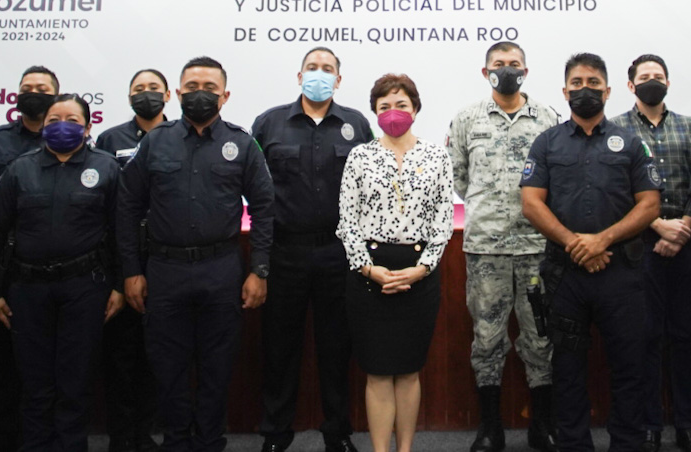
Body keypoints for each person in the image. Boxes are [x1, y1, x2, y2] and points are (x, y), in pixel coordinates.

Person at [117, 56, 274, 452]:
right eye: (192, 86)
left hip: (221, 270)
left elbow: (263, 209)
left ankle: (209, 443)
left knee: (217, 368)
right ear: (179, 92)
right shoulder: (155, 141)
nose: (200, 93)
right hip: (164, 270)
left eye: (209, 87)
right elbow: (128, 207)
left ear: (225, 95)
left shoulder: (241, 143)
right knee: (167, 368)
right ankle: (175, 443)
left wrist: (259, 270)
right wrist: (131, 270)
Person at [519, 52, 661, 452]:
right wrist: (575, 243)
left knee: (629, 368)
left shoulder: (630, 143)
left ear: (608, 90)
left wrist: (602, 240)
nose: (585, 90)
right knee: (566, 370)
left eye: (593, 83)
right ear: (564, 91)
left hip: (622, 272)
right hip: (565, 275)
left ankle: (628, 444)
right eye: (577, 84)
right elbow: (531, 203)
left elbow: (649, 205)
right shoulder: (546, 142)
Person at [0, 94, 126, 452]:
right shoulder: (19, 169)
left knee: (75, 381)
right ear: (43, 125)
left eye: (73, 120)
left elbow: (123, 232)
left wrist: (120, 285)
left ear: (89, 127)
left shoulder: (107, 169)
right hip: (27, 289)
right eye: (55, 118)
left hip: (84, 287)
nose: (63, 125)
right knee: (35, 380)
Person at [253, 47, 374, 452]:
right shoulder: (269, 124)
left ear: (339, 80)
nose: (318, 74)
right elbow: (253, 190)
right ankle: (275, 434)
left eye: (327, 69)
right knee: (279, 348)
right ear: (299, 75)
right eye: (312, 68)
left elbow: (370, 190)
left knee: (337, 348)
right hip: (284, 253)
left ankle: (337, 433)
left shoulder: (356, 124)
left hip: (338, 254)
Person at [447, 41, 560, 452]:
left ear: (526, 71)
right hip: (486, 250)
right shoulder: (466, 119)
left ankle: (541, 426)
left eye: (515, 64)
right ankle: (490, 428)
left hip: (536, 248)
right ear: (486, 72)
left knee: (540, 338)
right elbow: (460, 177)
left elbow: (557, 179)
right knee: (487, 339)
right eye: (500, 64)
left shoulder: (548, 119)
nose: (507, 70)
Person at [336, 73, 454, 452]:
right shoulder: (360, 156)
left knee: (407, 371)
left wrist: (424, 268)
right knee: (377, 372)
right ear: (374, 112)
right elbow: (347, 222)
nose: (393, 112)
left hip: (420, 272)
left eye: (401, 104)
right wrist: (368, 268)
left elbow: (442, 221)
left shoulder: (437, 155)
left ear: (415, 109)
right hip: (369, 272)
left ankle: (404, 449)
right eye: (384, 106)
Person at [609, 54, 691, 452]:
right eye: (644, 77)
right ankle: (649, 424)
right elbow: (615, 187)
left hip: (687, 238)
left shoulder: (690, 127)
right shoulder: (615, 129)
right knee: (646, 336)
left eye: (659, 77)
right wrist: (655, 224)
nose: (653, 82)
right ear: (631, 85)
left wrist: (683, 225)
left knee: (684, 334)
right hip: (638, 242)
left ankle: (686, 423)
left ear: (668, 83)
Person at [0, 65, 60, 452]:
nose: (34, 93)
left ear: (58, 95)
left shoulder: (70, 143)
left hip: (49, 267)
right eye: (27, 88)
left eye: (43, 88)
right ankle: (1, 438)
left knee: (46, 364)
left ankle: (43, 439)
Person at [93, 68, 169, 452]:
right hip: (124, 258)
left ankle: (146, 433)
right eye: (139, 89)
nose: (146, 95)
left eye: (153, 89)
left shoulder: (179, 135)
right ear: (128, 97)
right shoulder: (110, 139)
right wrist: (119, 274)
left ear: (168, 96)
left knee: (158, 355)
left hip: (168, 259)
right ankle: (121, 437)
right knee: (122, 356)